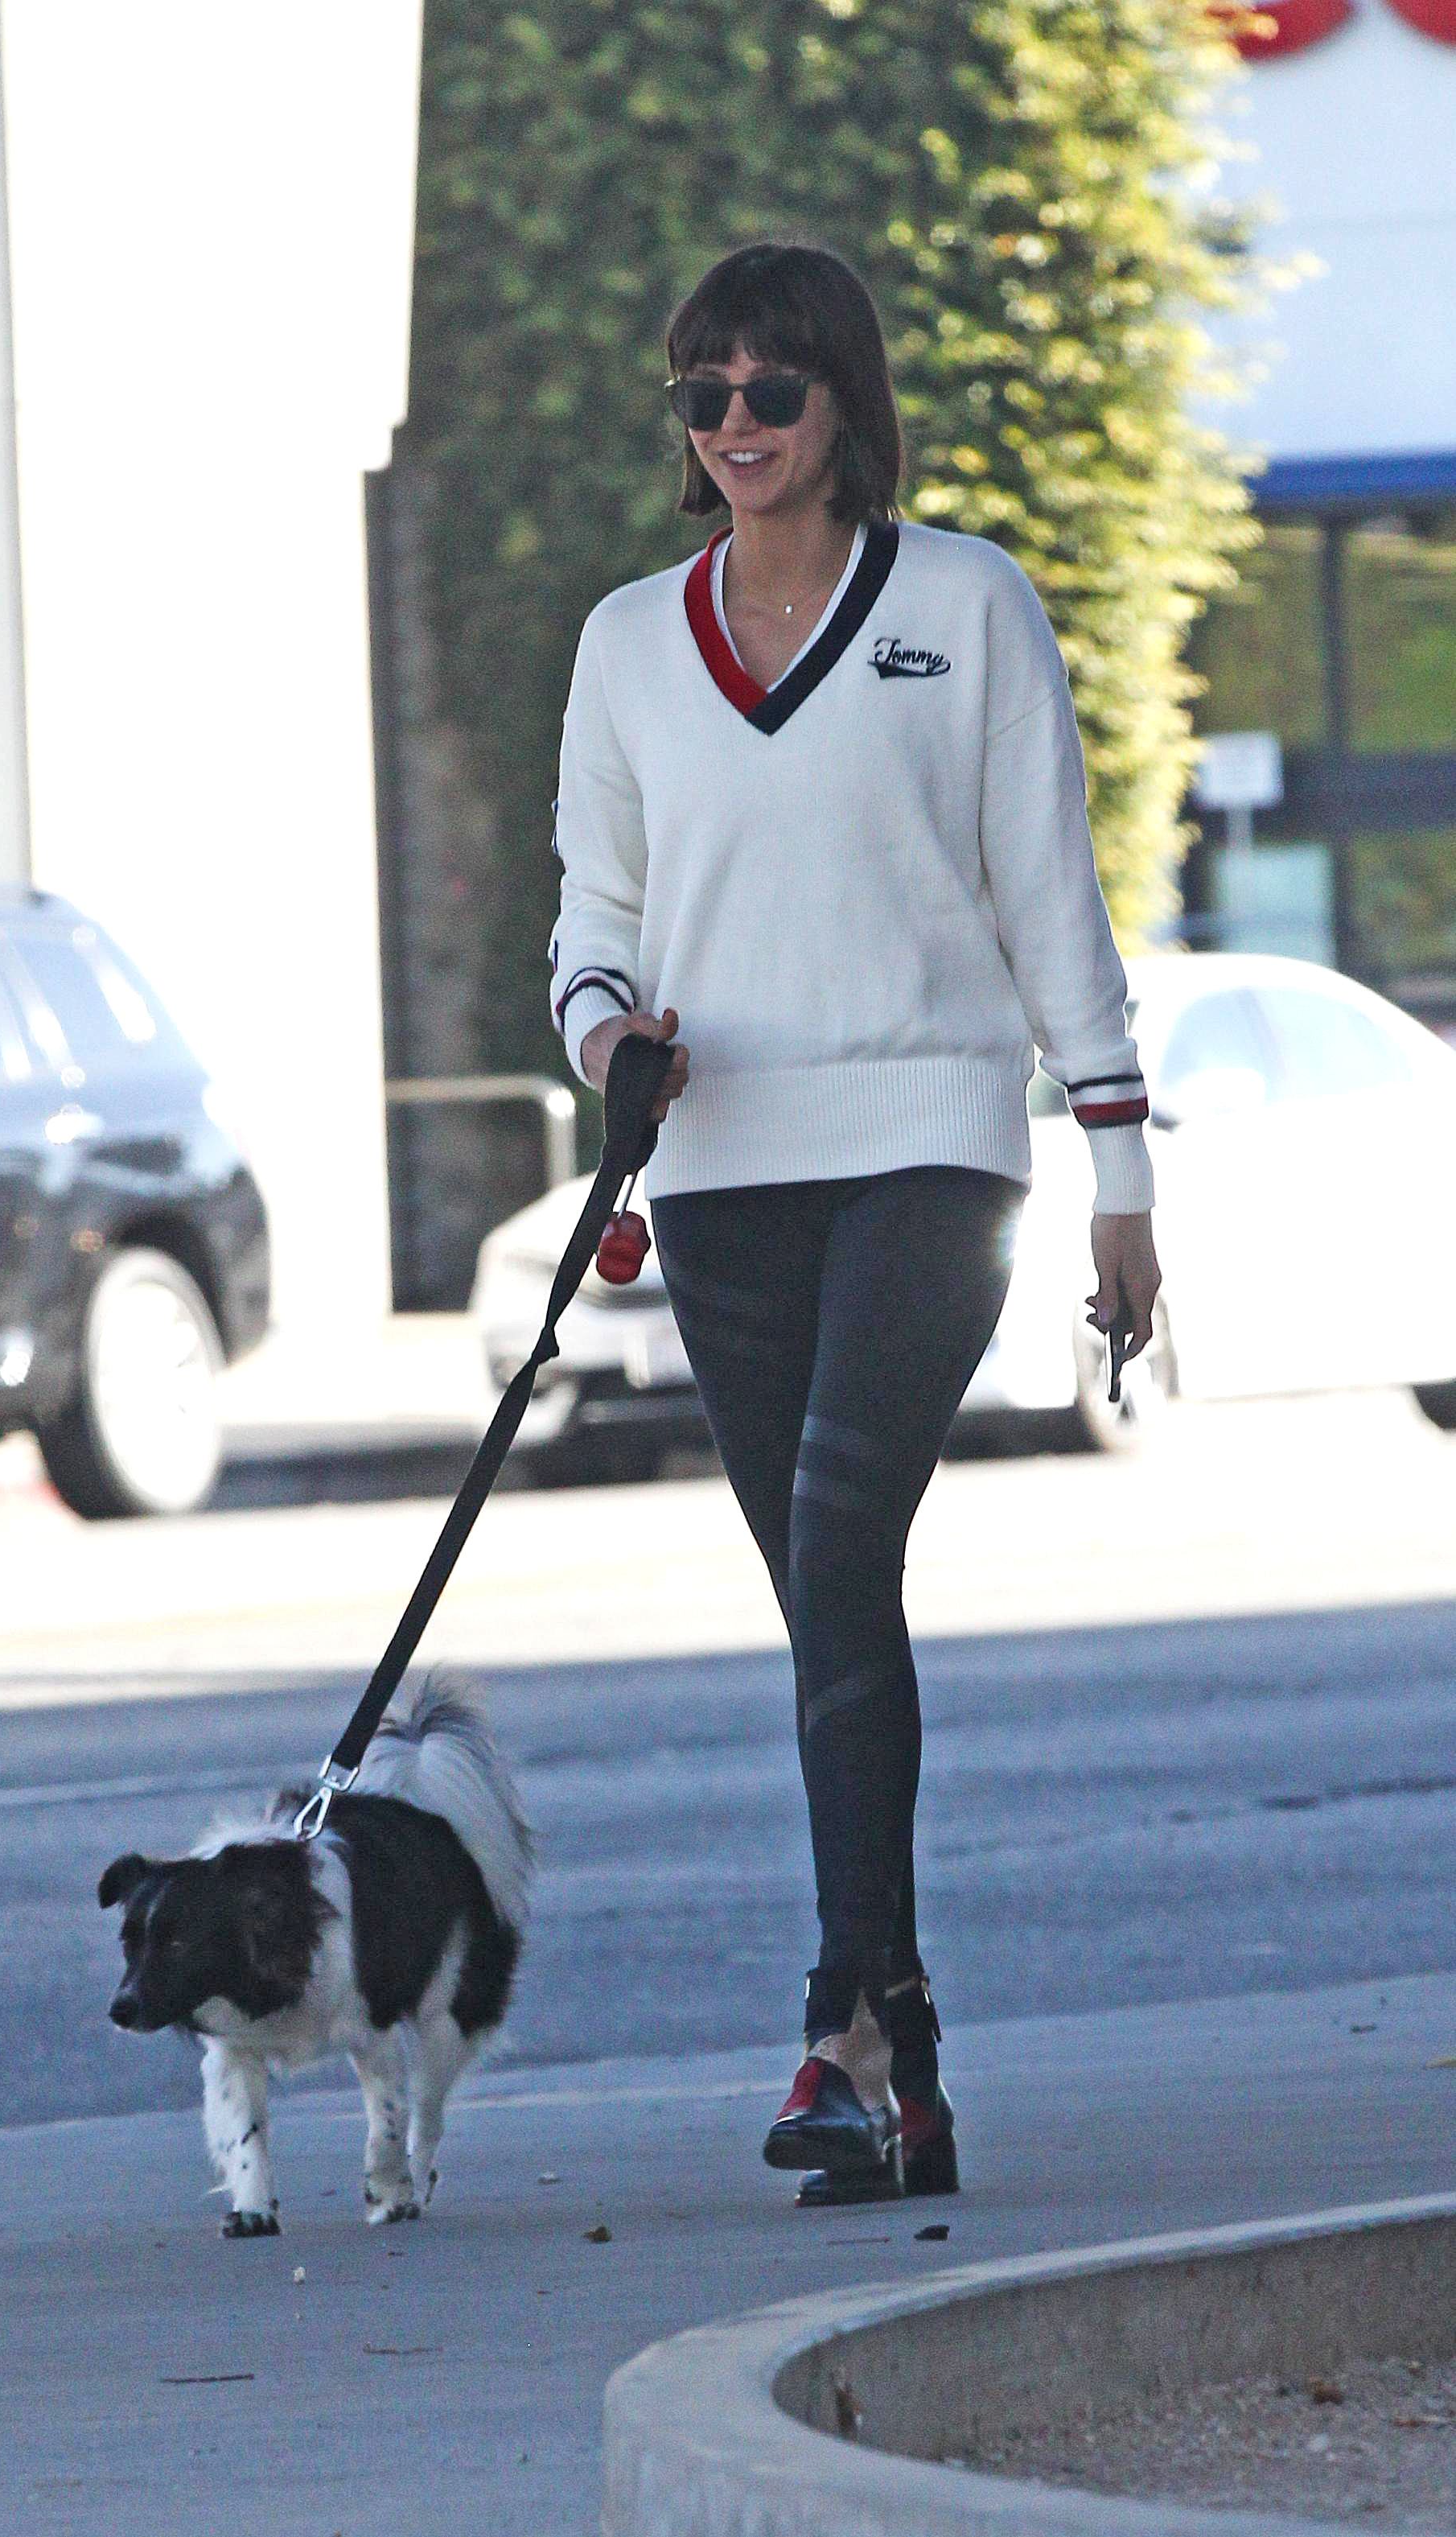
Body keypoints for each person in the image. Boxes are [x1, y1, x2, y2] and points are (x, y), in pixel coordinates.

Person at [546, 240, 1161, 2205]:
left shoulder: (966, 604)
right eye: (702, 393)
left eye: (771, 389)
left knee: (831, 1533)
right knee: (826, 1593)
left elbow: (1046, 890)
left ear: (842, 403)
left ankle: (841, 2019)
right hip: (719, 1165)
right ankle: (898, 2049)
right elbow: (594, 913)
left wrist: (1118, 1163)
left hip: (930, 1139)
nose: (735, 425)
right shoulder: (628, 642)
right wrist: (604, 1037)